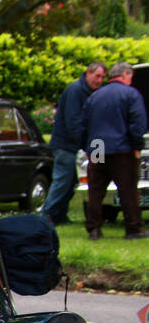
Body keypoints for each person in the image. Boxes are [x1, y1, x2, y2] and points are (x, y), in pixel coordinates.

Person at [82, 61, 147, 240]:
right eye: (130, 77)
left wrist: (86, 147)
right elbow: (137, 123)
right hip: (121, 147)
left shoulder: (94, 96)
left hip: (97, 145)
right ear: (125, 75)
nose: (131, 81)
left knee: (95, 189)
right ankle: (133, 228)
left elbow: (83, 125)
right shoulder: (131, 94)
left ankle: (94, 228)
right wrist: (137, 146)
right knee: (127, 189)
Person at [40, 60, 105, 225]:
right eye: (97, 76)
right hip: (65, 145)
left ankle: (59, 215)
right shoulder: (76, 91)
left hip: (73, 145)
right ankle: (46, 215)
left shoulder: (89, 92)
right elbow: (73, 123)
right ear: (88, 73)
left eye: (103, 77)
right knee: (63, 180)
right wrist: (87, 145)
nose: (99, 80)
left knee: (71, 182)